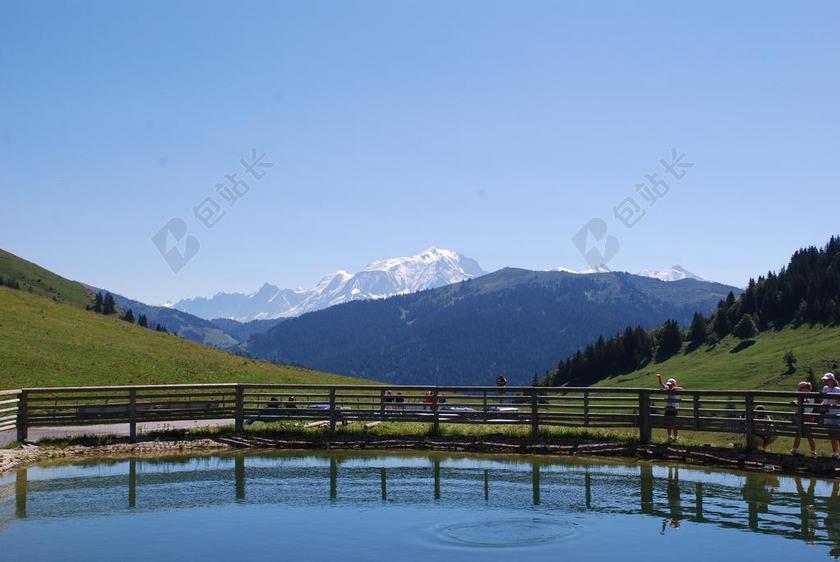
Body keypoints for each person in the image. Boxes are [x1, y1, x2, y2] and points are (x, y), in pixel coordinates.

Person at [791, 381, 817, 457]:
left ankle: (813, 451)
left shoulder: (810, 395)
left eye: (800, 389)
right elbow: (801, 401)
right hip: (802, 417)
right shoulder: (802, 396)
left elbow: (806, 402)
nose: (799, 390)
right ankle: (794, 450)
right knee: (798, 435)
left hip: (808, 417)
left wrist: (796, 401)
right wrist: (796, 401)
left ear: (805, 388)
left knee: (809, 436)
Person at [657, 373, 683, 441]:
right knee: (668, 423)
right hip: (668, 408)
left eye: (671, 385)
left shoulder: (676, 389)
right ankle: (669, 436)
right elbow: (661, 384)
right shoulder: (668, 388)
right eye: (669, 385)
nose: (669, 386)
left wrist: (674, 388)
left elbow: (681, 388)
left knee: (674, 423)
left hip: (674, 409)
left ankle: (675, 436)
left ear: (674, 384)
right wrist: (659, 378)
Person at [821, 373, 840, 459]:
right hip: (828, 414)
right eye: (825, 380)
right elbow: (824, 400)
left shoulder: (837, 389)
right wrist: (822, 405)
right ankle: (835, 453)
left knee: (838, 435)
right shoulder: (825, 388)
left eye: (827, 380)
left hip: (836, 414)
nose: (825, 381)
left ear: (832, 380)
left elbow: (839, 401)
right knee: (831, 435)